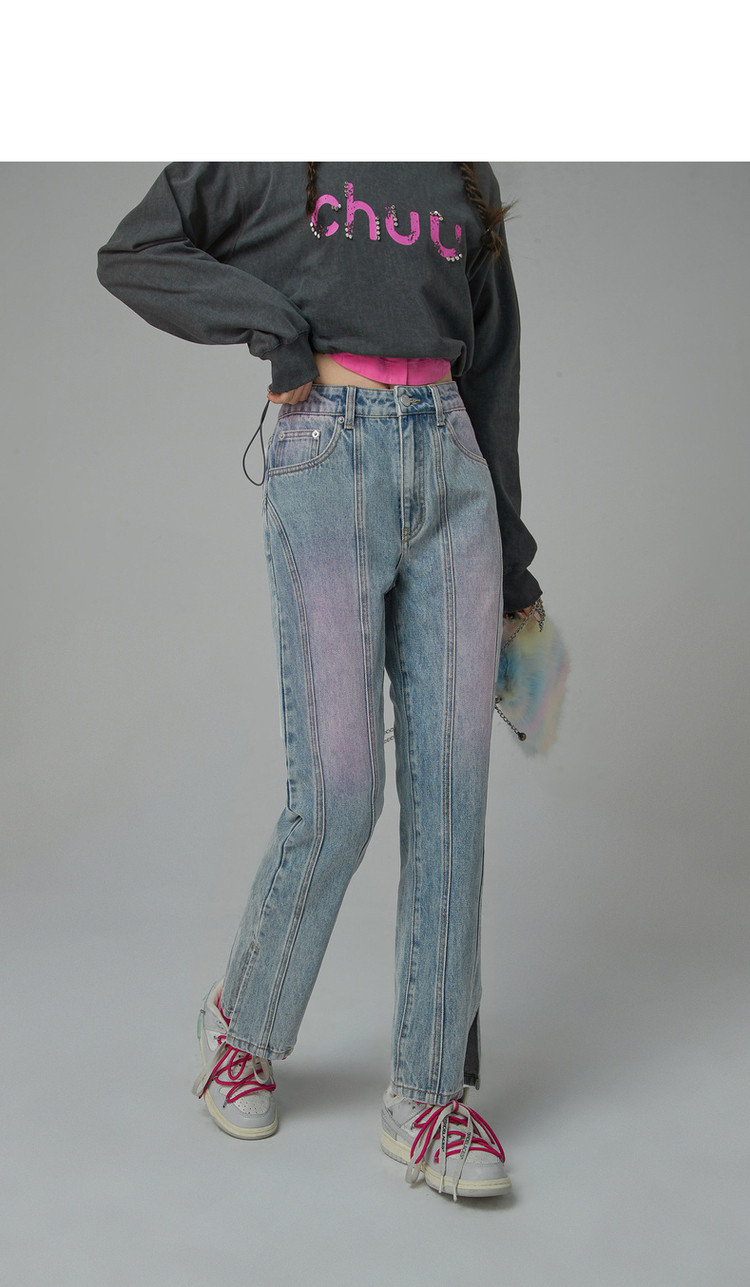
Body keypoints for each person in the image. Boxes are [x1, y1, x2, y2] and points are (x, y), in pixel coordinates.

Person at [97, 162, 541, 1200]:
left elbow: (495, 372)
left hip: (453, 470)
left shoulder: (460, 172)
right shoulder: (270, 151)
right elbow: (134, 252)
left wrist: (517, 569)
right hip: (327, 453)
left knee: (453, 801)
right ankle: (241, 1026)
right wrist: (276, 329)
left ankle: (429, 1096)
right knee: (341, 792)